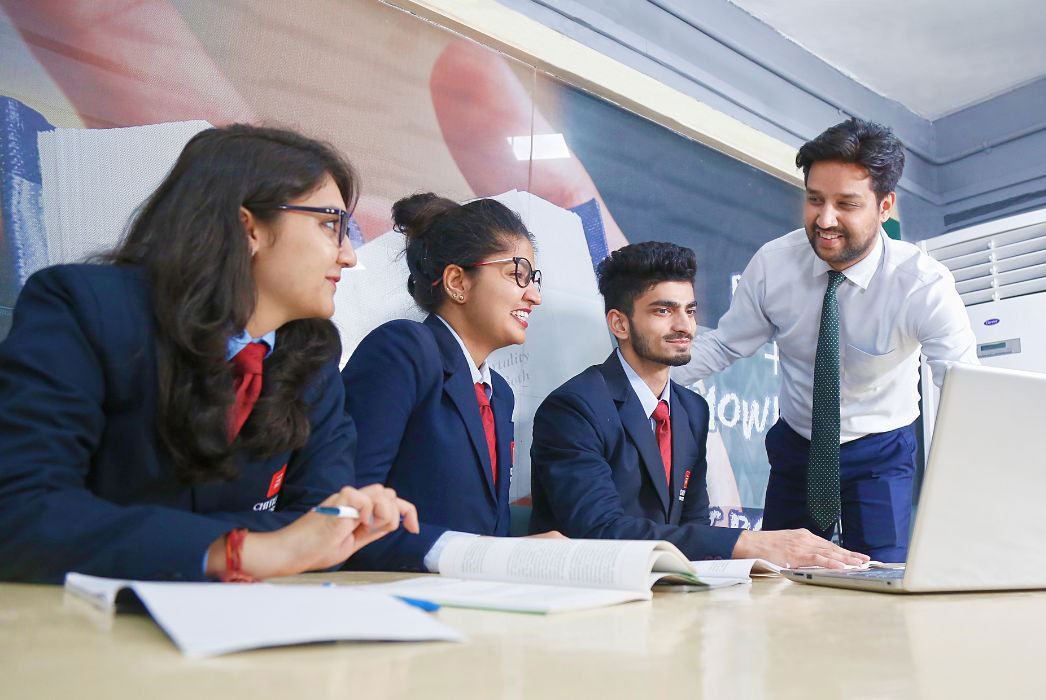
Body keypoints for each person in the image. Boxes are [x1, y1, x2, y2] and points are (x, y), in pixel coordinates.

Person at [0, 124, 418, 583]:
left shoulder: (313, 359)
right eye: (329, 225)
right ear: (248, 227)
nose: (349, 256)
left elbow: (321, 532)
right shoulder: (84, 308)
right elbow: (23, 509)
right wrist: (245, 550)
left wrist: (282, 542)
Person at [674, 118, 978, 562]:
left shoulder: (922, 284)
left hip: (881, 449)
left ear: (885, 206)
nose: (826, 219)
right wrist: (642, 375)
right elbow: (724, 345)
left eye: (846, 204)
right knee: (779, 574)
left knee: (878, 576)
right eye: (815, 200)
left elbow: (961, 384)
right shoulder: (774, 265)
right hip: (798, 444)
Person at [530, 241, 869, 567]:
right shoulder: (574, 408)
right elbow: (599, 531)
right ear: (620, 323)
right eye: (663, 310)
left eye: (689, 311)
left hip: (668, 592)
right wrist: (745, 542)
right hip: (587, 600)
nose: (684, 326)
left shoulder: (692, 409)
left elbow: (694, 524)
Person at [342, 193, 546, 571]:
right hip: (394, 602)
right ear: (457, 281)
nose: (533, 295)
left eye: (533, 278)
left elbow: (491, 527)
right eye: (517, 273)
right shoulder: (403, 350)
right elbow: (348, 511)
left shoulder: (499, 393)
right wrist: (485, 555)